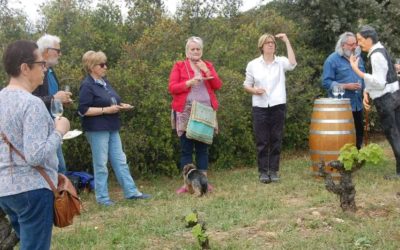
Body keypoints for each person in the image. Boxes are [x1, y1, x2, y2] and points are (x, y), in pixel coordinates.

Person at [0, 40, 70, 250]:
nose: (45, 68)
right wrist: (60, 131)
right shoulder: (32, 104)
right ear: (24, 68)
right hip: (32, 189)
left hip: (5, 189)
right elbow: (35, 156)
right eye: (41, 63)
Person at [78, 50, 150, 206]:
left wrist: (121, 106)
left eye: (106, 64)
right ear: (92, 67)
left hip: (112, 126)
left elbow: (111, 101)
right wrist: (105, 110)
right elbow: (83, 110)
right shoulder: (87, 86)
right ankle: (102, 198)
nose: (105, 67)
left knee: (120, 160)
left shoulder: (105, 82)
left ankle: (131, 192)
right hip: (97, 130)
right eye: (102, 64)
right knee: (101, 164)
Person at [168, 36, 222, 194]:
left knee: (202, 148)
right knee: (186, 149)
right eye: (192, 49)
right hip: (185, 111)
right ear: (187, 51)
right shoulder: (179, 66)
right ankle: (187, 185)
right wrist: (189, 83)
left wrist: (206, 70)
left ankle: (204, 182)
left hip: (205, 111)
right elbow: (172, 88)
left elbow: (217, 85)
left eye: (198, 49)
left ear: (202, 51)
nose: (196, 51)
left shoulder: (208, 65)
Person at [243, 33, 296, 183]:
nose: (270, 45)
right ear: (261, 46)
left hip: (278, 104)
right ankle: (263, 172)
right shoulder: (253, 64)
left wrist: (287, 41)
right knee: (262, 140)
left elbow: (292, 63)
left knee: (276, 139)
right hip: (260, 106)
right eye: (267, 43)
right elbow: (246, 85)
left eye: (272, 42)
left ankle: (273, 171)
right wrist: (254, 90)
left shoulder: (281, 62)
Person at [349, 25, 400, 178]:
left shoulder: (375, 55)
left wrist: (356, 70)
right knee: (398, 133)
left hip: (386, 101)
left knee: (393, 135)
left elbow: (379, 82)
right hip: (395, 96)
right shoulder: (380, 49)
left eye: (360, 40)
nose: (358, 44)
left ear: (369, 39)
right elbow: (383, 77)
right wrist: (366, 91)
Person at [33, 34, 72, 173]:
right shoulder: (34, 72)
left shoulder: (50, 72)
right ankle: (58, 194)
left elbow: (51, 98)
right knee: (58, 169)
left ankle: (60, 194)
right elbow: (30, 101)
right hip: (40, 129)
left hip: (54, 126)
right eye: (58, 50)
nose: (60, 54)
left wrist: (61, 101)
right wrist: (54, 98)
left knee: (59, 168)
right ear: (46, 50)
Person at [322, 32, 366, 149]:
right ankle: (343, 159)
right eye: (351, 45)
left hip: (357, 104)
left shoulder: (358, 59)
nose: (354, 47)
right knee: (343, 134)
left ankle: (358, 155)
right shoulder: (332, 60)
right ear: (342, 45)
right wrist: (346, 86)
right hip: (341, 106)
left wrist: (366, 90)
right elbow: (326, 82)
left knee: (359, 130)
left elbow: (363, 77)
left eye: (355, 44)